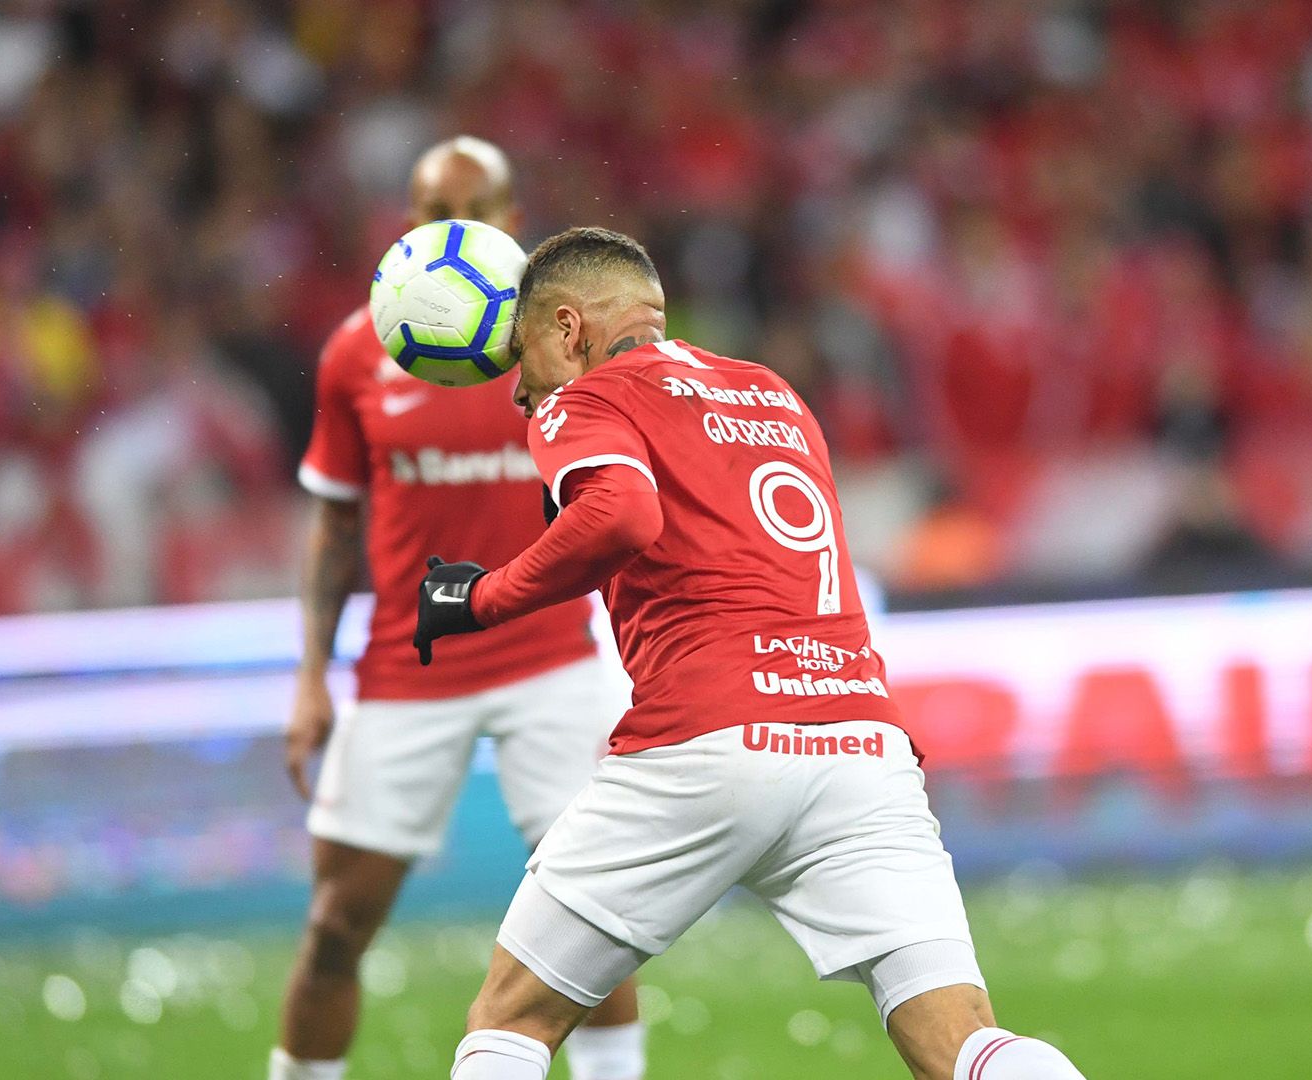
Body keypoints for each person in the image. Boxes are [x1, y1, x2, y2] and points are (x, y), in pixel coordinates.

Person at [414, 227, 1091, 1080]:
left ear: (567, 327)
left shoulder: (583, 402)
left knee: (510, 1018)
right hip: (857, 740)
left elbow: (622, 514)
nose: (520, 390)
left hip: (708, 737)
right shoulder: (771, 393)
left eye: (522, 358)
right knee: (962, 1043)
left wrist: (479, 598)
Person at [273, 143, 645, 1080]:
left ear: (515, 217)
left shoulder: (569, 342)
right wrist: (312, 680)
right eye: (431, 207)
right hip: (408, 668)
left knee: (596, 930)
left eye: (472, 206)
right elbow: (334, 526)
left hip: (551, 659)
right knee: (332, 929)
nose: (449, 224)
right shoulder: (360, 348)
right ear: (407, 217)